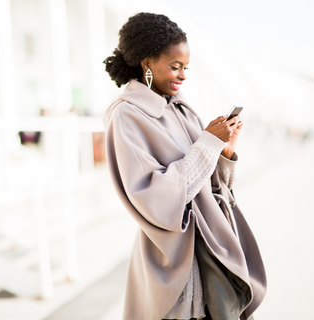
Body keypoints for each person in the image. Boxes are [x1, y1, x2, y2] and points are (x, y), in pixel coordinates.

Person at [103, 12, 266, 320]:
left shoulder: (181, 108)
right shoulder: (127, 116)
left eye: (186, 67)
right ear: (147, 63)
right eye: (175, 66)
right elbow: (155, 199)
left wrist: (224, 152)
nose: (183, 75)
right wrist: (206, 144)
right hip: (177, 267)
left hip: (213, 254)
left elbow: (213, 188)